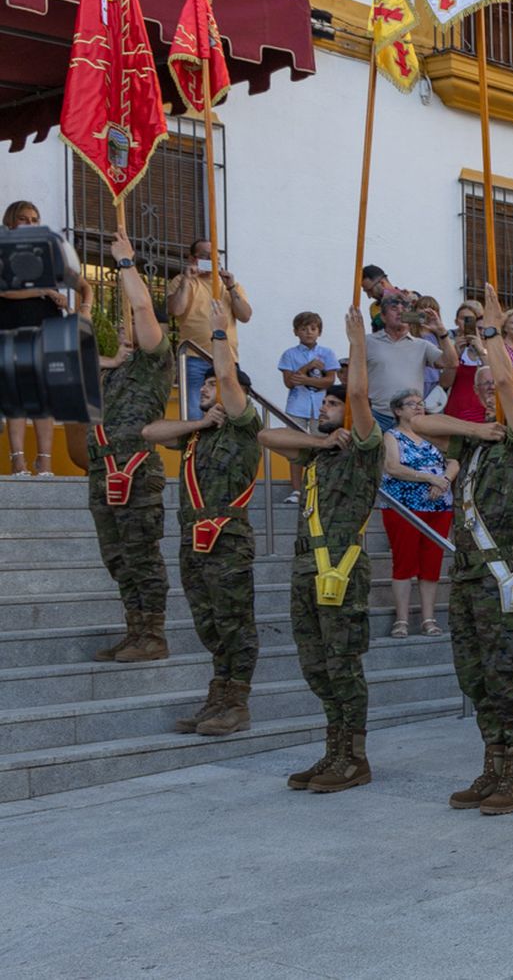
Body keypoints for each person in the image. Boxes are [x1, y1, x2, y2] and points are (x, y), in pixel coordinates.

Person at [414, 286, 513, 814]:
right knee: (475, 676)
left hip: (501, 579)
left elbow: (511, 388)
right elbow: (418, 422)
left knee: (508, 678)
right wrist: (474, 426)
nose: (490, 392)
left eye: (496, 388)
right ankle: (492, 767)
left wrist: (491, 335)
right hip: (467, 578)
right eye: (484, 388)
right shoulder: (476, 440)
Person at [260, 308, 383, 794]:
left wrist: (356, 346)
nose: (327, 409)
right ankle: (333, 747)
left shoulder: (365, 449)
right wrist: (319, 438)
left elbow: (357, 395)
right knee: (314, 662)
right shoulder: (317, 450)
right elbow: (267, 435)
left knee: (342, 662)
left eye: (333, 406)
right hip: (306, 570)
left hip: (342, 571)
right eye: (326, 406)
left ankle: (354, 755)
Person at [141, 300, 261, 735]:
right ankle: (219, 694)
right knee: (207, 621)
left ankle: (237, 703)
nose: (207, 389)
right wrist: (196, 424)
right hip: (193, 538)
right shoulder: (199, 434)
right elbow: (150, 432)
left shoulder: (245, 426)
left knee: (235, 622)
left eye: (211, 386)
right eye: (205, 385)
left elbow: (229, 377)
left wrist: (218, 334)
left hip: (227, 537)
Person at [89, 231, 174, 663]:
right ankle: (134, 627)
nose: (127, 326)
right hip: (103, 469)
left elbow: (142, 306)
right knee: (116, 555)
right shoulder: (118, 369)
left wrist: (125, 263)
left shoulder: (158, 358)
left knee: (141, 553)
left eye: (134, 324)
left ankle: (154, 634)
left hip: (136, 469)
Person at [380, 389, 456, 639]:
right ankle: (402, 619)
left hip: (439, 506)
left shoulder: (435, 432)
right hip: (404, 506)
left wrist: (443, 479)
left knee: (431, 563)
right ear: (397, 410)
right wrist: (428, 477)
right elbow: (392, 466)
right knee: (404, 561)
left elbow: (455, 460)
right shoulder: (392, 436)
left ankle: (429, 618)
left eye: (420, 403)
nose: (417, 407)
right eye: (410, 404)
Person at [1, 200, 64, 475]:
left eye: (35, 218)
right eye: (25, 218)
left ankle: (45, 460)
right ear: (12, 221)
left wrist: (59, 296)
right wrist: (44, 292)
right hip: (13, 325)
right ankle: (18, 460)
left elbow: (60, 284)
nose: (31, 223)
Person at [169, 238, 252, 420]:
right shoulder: (182, 281)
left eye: (215, 257)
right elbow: (176, 310)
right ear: (192, 259)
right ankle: (195, 447)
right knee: (194, 410)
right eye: (205, 256)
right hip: (194, 358)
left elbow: (245, 316)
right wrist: (186, 279)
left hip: (227, 357)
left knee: (230, 410)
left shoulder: (231, 286)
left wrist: (230, 287)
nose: (211, 261)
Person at [368, 293, 455, 433]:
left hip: (412, 418)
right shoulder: (367, 342)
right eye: (394, 308)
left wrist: (442, 332)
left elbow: (451, 363)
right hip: (379, 417)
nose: (401, 311)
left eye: (405, 308)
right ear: (383, 317)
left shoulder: (422, 345)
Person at [278, 311, 339, 504]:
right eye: (303, 329)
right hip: (297, 406)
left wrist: (304, 379)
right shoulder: (289, 354)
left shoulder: (327, 353)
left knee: (322, 445)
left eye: (313, 329)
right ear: (296, 331)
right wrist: (307, 367)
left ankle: (320, 487)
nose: (308, 333)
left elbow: (330, 380)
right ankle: (296, 489)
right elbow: (289, 382)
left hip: (321, 408)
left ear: (319, 331)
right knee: (295, 445)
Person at [439, 302, 486, 424]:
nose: (466, 323)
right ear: (456, 322)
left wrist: (481, 350)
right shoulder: (450, 345)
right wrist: (455, 356)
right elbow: (445, 383)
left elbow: (496, 376)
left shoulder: (490, 346)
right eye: (462, 319)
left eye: (470, 320)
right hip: (457, 409)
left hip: (484, 409)